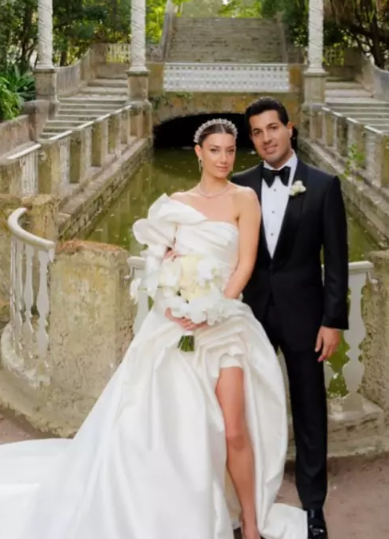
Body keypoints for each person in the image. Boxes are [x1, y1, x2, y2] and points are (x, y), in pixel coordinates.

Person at [0, 118, 306, 539]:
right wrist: (173, 301)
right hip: (175, 324)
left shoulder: (244, 199)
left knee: (235, 428)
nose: (223, 159)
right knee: (176, 428)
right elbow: (158, 263)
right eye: (214, 150)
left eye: (230, 151)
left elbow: (245, 265)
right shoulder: (175, 204)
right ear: (199, 153)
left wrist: (215, 307)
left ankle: (251, 525)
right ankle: (177, 513)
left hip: (225, 324)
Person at [231, 97, 349, 539]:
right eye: (257, 132)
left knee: (309, 410)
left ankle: (313, 506)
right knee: (245, 410)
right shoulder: (240, 185)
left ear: (289, 128)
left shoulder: (323, 185)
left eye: (273, 128)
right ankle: (247, 505)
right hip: (250, 316)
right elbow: (217, 241)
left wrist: (332, 320)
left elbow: (336, 261)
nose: (266, 138)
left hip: (306, 318)